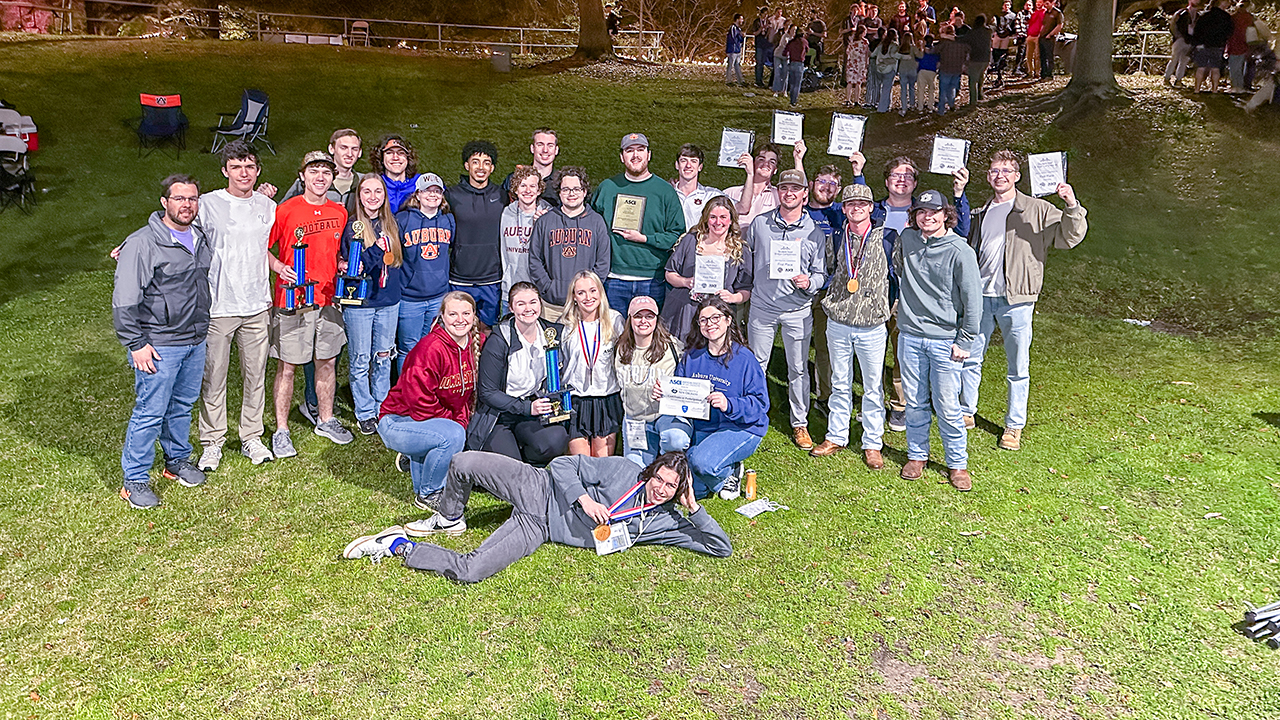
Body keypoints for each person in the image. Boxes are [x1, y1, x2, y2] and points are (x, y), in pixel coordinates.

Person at [341, 451, 731, 584]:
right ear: (651, 472)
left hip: (540, 527)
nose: (660, 489)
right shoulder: (623, 470)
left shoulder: (663, 521)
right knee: (462, 462)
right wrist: (582, 499)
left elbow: (721, 548)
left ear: (679, 490)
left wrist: (693, 508)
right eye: (659, 479)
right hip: (538, 486)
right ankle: (449, 516)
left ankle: (398, 545)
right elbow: (562, 464)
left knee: (471, 571)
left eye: (670, 487)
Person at [959, 150, 1086, 451]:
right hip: (981, 298)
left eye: (1006, 170)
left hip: (1016, 299)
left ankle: (1013, 426)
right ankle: (966, 411)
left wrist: (1071, 204)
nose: (999, 175)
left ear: (1017, 175)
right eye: (993, 170)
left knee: (1017, 366)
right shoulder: (982, 211)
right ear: (988, 176)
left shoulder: (1037, 209)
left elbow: (1070, 237)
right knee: (970, 358)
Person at [850, 153, 972, 433]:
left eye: (907, 176)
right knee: (872, 352)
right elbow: (857, 206)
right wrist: (858, 173)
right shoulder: (876, 209)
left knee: (902, 353)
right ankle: (874, 403)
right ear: (886, 180)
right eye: (895, 175)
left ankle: (899, 406)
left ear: (916, 183)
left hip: (908, 293)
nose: (901, 181)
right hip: (872, 291)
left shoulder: (923, 215)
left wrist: (959, 193)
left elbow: (960, 230)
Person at [113, 174, 212, 509]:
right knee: (150, 411)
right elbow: (125, 299)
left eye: (192, 199)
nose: (187, 205)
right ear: (164, 202)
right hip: (159, 344)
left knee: (182, 406)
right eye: (180, 198)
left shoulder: (198, 236)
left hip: (195, 339)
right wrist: (136, 343)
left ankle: (177, 460)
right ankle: (135, 479)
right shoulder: (143, 243)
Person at [194, 141, 276, 472]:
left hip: (257, 304)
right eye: (236, 167)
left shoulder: (267, 205)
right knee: (214, 376)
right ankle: (212, 442)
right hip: (219, 305)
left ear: (257, 171)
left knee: (255, 375)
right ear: (225, 171)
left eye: (250, 167)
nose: (244, 173)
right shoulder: (207, 204)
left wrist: (279, 266)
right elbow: (173, 228)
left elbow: (264, 247)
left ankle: (251, 436)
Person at [893, 190, 981, 491]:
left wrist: (965, 340)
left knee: (947, 405)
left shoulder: (960, 251)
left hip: (945, 340)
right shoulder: (908, 240)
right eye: (920, 212)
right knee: (915, 401)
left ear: (946, 215)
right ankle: (917, 455)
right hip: (910, 336)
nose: (926, 217)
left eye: (933, 212)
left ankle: (958, 464)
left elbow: (973, 300)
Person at [268, 151, 354, 458]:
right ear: (302, 175)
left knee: (327, 361)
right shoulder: (286, 210)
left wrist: (344, 265)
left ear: (333, 177)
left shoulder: (339, 211)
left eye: (326, 173)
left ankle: (326, 419)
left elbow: (334, 251)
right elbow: (262, 249)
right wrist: (278, 268)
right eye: (314, 171)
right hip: (294, 300)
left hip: (328, 300)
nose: (320, 177)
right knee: (288, 367)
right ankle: (281, 430)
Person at [744, 168, 826, 450]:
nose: (789, 193)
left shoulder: (815, 231)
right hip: (763, 307)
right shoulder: (760, 224)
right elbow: (746, 259)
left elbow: (821, 274)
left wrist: (809, 282)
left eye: (795, 189)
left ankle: (799, 423)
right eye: (784, 188)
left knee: (798, 369)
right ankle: (753, 416)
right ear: (778, 192)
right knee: (756, 366)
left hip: (797, 310)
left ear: (805, 194)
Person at [810, 184, 890, 468]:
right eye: (850, 204)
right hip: (839, 321)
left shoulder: (886, 238)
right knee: (839, 382)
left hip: (871, 324)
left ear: (871, 208)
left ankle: (872, 442)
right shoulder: (835, 237)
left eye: (862, 204)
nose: (856, 208)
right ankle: (837, 435)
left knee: (872, 387)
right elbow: (828, 270)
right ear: (843, 208)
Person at [657, 297, 769, 499]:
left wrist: (730, 404)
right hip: (704, 427)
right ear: (698, 325)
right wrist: (665, 394)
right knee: (694, 490)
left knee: (700, 462)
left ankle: (728, 472)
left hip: (741, 427)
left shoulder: (745, 359)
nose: (710, 324)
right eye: (704, 320)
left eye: (716, 317)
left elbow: (760, 405)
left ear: (728, 320)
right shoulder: (692, 357)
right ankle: (722, 466)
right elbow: (681, 393)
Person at [378, 291, 479, 511]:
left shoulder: (472, 345)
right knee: (451, 436)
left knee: (455, 433)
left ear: (473, 316)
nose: (460, 319)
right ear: (442, 316)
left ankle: (416, 464)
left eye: (465, 313)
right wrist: (453, 426)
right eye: (453, 314)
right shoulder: (430, 348)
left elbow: (464, 398)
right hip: (399, 419)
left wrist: (459, 421)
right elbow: (420, 402)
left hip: (431, 420)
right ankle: (430, 493)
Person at [464, 282, 570, 465]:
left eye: (533, 302)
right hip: (500, 414)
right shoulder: (499, 339)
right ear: (511, 308)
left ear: (540, 304)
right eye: (521, 304)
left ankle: (528, 457)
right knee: (511, 468)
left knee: (556, 439)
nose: (528, 308)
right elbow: (487, 393)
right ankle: (508, 454)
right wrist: (526, 408)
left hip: (532, 407)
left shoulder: (551, 333)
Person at [591, 133, 686, 312]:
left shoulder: (664, 191)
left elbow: (677, 235)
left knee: (649, 337)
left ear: (649, 154)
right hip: (613, 278)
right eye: (629, 151)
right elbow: (589, 225)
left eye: (640, 150)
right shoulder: (608, 187)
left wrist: (644, 238)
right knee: (614, 336)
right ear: (622, 157)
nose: (635, 155)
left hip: (652, 280)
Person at [340, 175, 403, 436]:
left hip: (389, 301)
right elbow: (357, 267)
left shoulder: (392, 223)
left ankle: (381, 406)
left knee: (383, 356)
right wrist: (377, 248)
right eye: (367, 191)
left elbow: (399, 261)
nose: (373, 196)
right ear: (359, 195)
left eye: (378, 191)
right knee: (360, 359)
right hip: (362, 302)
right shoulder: (352, 226)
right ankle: (365, 412)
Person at [663, 196, 754, 340]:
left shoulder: (741, 250)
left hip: (719, 315)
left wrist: (732, 297)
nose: (718, 222)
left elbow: (745, 290)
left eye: (723, 217)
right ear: (706, 218)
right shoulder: (690, 241)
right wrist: (685, 282)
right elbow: (669, 273)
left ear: (731, 220)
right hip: (685, 311)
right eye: (713, 217)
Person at [528, 166, 612, 321]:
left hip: (585, 307)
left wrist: (589, 292)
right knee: (551, 344)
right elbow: (534, 260)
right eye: (566, 189)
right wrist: (548, 288)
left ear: (585, 192)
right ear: (559, 192)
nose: (571, 194)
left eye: (576, 189)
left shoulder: (597, 222)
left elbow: (603, 261)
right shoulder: (545, 221)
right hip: (552, 305)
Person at [559, 271, 625, 457]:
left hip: (606, 398)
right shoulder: (565, 324)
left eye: (592, 290)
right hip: (575, 399)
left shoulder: (615, 320)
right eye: (581, 293)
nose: (588, 297)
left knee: (601, 464)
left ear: (601, 292)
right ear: (573, 297)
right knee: (582, 462)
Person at [394, 173, 453, 369]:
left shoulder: (448, 220)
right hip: (410, 298)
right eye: (427, 190)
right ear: (417, 194)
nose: (432, 195)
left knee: (431, 347)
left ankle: (425, 391)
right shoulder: (402, 219)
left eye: (437, 191)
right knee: (408, 349)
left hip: (438, 296)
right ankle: (407, 393)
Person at [615, 296, 681, 466]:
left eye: (649, 316)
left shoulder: (673, 346)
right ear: (630, 319)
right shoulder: (620, 348)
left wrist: (671, 392)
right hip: (635, 419)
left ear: (656, 320)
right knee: (635, 472)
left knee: (676, 439)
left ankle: (669, 460)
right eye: (638, 316)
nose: (643, 321)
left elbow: (687, 383)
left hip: (665, 414)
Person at [447, 140, 506, 331]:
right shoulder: (452, 195)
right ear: (467, 165)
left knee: (486, 331)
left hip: (492, 278)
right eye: (475, 162)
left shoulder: (502, 195)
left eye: (486, 162)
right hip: (460, 278)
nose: (481, 167)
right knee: (458, 329)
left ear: (492, 168)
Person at [500, 165, 552, 310]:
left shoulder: (548, 215)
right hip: (511, 289)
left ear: (539, 189)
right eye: (523, 185)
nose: (528, 191)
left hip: (539, 292)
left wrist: (540, 226)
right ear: (516, 189)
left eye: (532, 186)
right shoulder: (506, 213)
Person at [280, 128, 363, 214]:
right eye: (343, 148)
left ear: (360, 152)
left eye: (354, 149)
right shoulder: (307, 182)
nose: (349, 154)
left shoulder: (364, 182)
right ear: (331, 149)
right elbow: (283, 212)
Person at [500, 128, 563, 208]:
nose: (545, 150)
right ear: (532, 148)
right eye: (540, 145)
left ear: (556, 150)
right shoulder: (513, 179)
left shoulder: (562, 183)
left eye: (550, 145)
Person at [670, 143, 725, 231]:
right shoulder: (666, 193)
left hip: (699, 243)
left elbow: (743, 208)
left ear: (700, 167)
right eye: (683, 160)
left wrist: (750, 174)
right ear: (677, 165)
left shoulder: (711, 195)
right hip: (670, 243)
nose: (688, 165)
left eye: (693, 161)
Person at [371, 135, 420, 214]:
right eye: (389, 153)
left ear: (408, 158)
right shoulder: (373, 184)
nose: (395, 157)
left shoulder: (420, 183)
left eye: (401, 153)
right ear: (381, 158)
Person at [1194, 0, 1234, 93]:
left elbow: (1197, 30)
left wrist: (1198, 42)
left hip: (1203, 45)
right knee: (1215, 68)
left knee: (1201, 68)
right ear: (1221, 3)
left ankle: (1197, 89)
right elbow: (1230, 32)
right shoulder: (1226, 17)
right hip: (1218, 45)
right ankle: (1214, 89)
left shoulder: (1204, 16)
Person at [1164, 0, 1200, 87]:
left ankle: (1178, 79)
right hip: (1180, 39)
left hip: (1190, 40)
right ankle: (1167, 78)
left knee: (1184, 61)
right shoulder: (1182, 13)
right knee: (1174, 59)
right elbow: (1174, 26)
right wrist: (1178, 37)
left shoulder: (1197, 16)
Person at [936, 24, 970, 113]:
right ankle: (951, 104)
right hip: (957, 69)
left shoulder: (944, 43)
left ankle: (941, 109)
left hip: (945, 68)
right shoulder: (961, 43)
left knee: (943, 90)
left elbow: (934, 50)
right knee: (952, 88)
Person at [1227, 1, 1258, 93]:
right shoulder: (1251, 18)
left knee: (1234, 68)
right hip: (1248, 45)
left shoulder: (1233, 18)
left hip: (1235, 44)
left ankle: (1237, 86)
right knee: (1244, 67)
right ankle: (1243, 86)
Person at [964, 15, 992, 105]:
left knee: (973, 81)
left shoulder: (972, 33)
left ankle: (973, 101)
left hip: (975, 59)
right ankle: (980, 95)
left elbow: (963, 39)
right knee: (981, 77)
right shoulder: (988, 32)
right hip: (986, 59)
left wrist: (953, 37)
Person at [872, 28, 901, 113]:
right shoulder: (895, 46)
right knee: (886, 89)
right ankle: (882, 108)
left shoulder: (881, 44)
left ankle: (887, 105)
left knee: (883, 88)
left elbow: (873, 54)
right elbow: (894, 57)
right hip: (889, 69)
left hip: (879, 69)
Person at [783, 23, 809, 106]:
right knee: (797, 84)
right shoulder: (804, 42)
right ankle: (794, 101)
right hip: (799, 64)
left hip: (791, 63)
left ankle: (791, 100)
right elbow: (807, 50)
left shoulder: (791, 42)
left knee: (792, 83)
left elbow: (784, 52)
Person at [897, 32, 923, 114]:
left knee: (903, 89)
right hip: (912, 69)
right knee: (912, 87)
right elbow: (920, 56)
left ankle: (904, 107)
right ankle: (912, 104)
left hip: (903, 69)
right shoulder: (913, 48)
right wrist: (921, 48)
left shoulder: (900, 48)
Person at [845, 24, 871, 107]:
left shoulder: (852, 41)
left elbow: (847, 51)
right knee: (858, 83)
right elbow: (867, 53)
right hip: (860, 64)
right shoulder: (865, 42)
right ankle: (856, 100)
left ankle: (848, 99)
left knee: (850, 82)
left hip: (852, 63)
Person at [1038, 0, 1063, 79]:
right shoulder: (1046, 13)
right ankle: (1043, 73)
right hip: (1042, 37)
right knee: (1042, 56)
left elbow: (1059, 25)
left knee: (1049, 56)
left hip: (1050, 38)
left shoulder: (1057, 13)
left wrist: (1050, 34)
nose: (1045, 5)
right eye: (1045, 4)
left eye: (1047, 3)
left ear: (1052, 3)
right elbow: (1044, 24)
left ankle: (1050, 74)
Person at [752, 6, 774, 88]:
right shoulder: (756, 22)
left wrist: (769, 30)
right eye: (764, 14)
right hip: (759, 44)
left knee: (765, 62)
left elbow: (769, 34)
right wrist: (761, 29)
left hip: (766, 44)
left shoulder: (768, 22)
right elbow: (754, 33)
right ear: (761, 14)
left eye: (767, 14)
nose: (765, 16)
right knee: (759, 63)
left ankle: (763, 81)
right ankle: (758, 80)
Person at [917, 36, 941, 111]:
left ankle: (920, 106)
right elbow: (938, 62)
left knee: (921, 90)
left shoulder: (921, 50)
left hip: (922, 70)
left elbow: (917, 60)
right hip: (932, 71)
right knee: (931, 90)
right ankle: (930, 105)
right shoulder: (935, 51)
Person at [1025, 0, 1045, 78]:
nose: (1038, 3)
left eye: (1040, 2)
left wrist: (1041, 34)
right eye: (1037, 2)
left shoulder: (1044, 12)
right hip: (1030, 35)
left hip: (1038, 36)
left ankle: (1037, 73)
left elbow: (1043, 24)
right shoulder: (1034, 12)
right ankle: (1030, 72)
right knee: (1028, 56)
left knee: (1037, 56)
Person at [726, 13, 747, 85]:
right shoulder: (733, 28)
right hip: (732, 49)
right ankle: (729, 80)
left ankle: (740, 80)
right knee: (730, 65)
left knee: (737, 65)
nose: (742, 21)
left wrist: (742, 37)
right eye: (741, 19)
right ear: (737, 19)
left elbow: (740, 39)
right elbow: (733, 38)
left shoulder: (739, 29)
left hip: (737, 49)